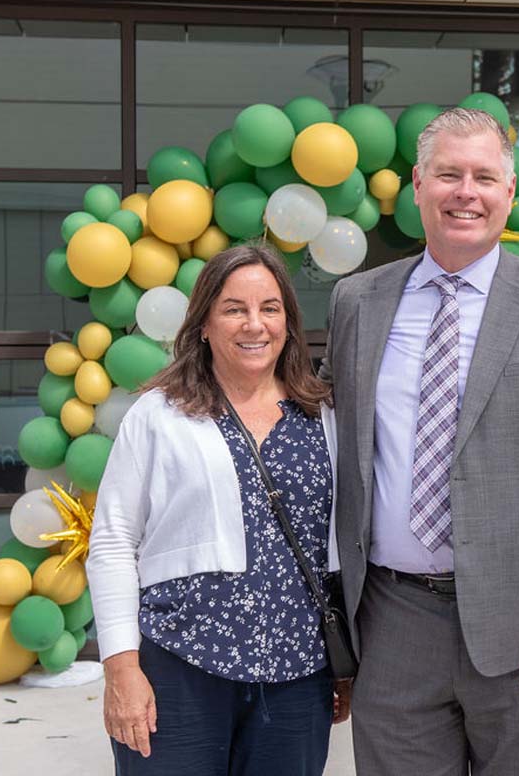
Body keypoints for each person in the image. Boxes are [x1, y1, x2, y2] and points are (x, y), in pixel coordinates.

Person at [320, 107, 519, 775]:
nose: (467, 192)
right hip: (392, 619)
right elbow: (309, 417)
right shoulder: (358, 300)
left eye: (485, 177)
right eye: (449, 174)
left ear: (510, 194)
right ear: (417, 186)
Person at [87, 245, 349, 776]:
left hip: (297, 675)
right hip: (179, 668)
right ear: (204, 322)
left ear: (289, 323)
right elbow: (113, 541)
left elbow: (341, 546)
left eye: (270, 308)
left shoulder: (322, 413)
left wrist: (343, 664)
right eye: (234, 308)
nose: (255, 324)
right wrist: (121, 667)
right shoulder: (158, 415)